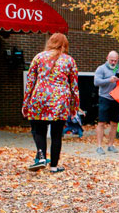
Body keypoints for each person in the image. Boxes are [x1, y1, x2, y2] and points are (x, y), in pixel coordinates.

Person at [21, 33, 80, 173]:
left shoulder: (38, 57)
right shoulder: (69, 61)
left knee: (39, 130)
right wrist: (74, 106)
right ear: (65, 44)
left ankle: (41, 156)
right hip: (60, 100)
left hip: (40, 97)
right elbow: (74, 86)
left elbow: (30, 82)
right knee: (56, 134)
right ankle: (53, 166)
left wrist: (26, 103)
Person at [94, 51, 119, 154]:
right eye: (111, 60)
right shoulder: (101, 69)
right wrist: (109, 80)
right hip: (104, 97)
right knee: (101, 122)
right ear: (107, 58)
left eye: (115, 61)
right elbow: (96, 82)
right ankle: (99, 146)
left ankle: (110, 145)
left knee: (114, 123)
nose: (113, 62)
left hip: (116, 98)